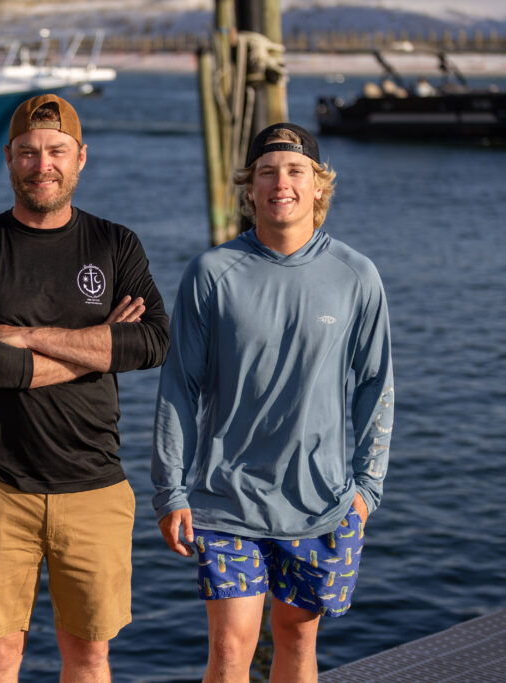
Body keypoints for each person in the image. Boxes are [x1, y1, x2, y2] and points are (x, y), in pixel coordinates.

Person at [0, 93, 169, 682]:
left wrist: (29, 335)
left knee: (89, 657)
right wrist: (97, 346)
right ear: (9, 158)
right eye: (29, 153)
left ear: (81, 157)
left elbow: (154, 343)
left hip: (95, 487)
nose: (44, 166)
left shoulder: (117, 245)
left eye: (57, 151)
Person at [151, 122, 393, 682]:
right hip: (226, 499)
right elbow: (179, 388)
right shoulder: (211, 274)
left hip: (323, 502)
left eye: (294, 171)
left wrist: (368, 488)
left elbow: (375, 386)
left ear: (317, 187)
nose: (280, 183)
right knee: (230, 650)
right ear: (250, 188)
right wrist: (170, 490)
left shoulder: (356, 275)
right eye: (267, 172)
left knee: (298, 641)